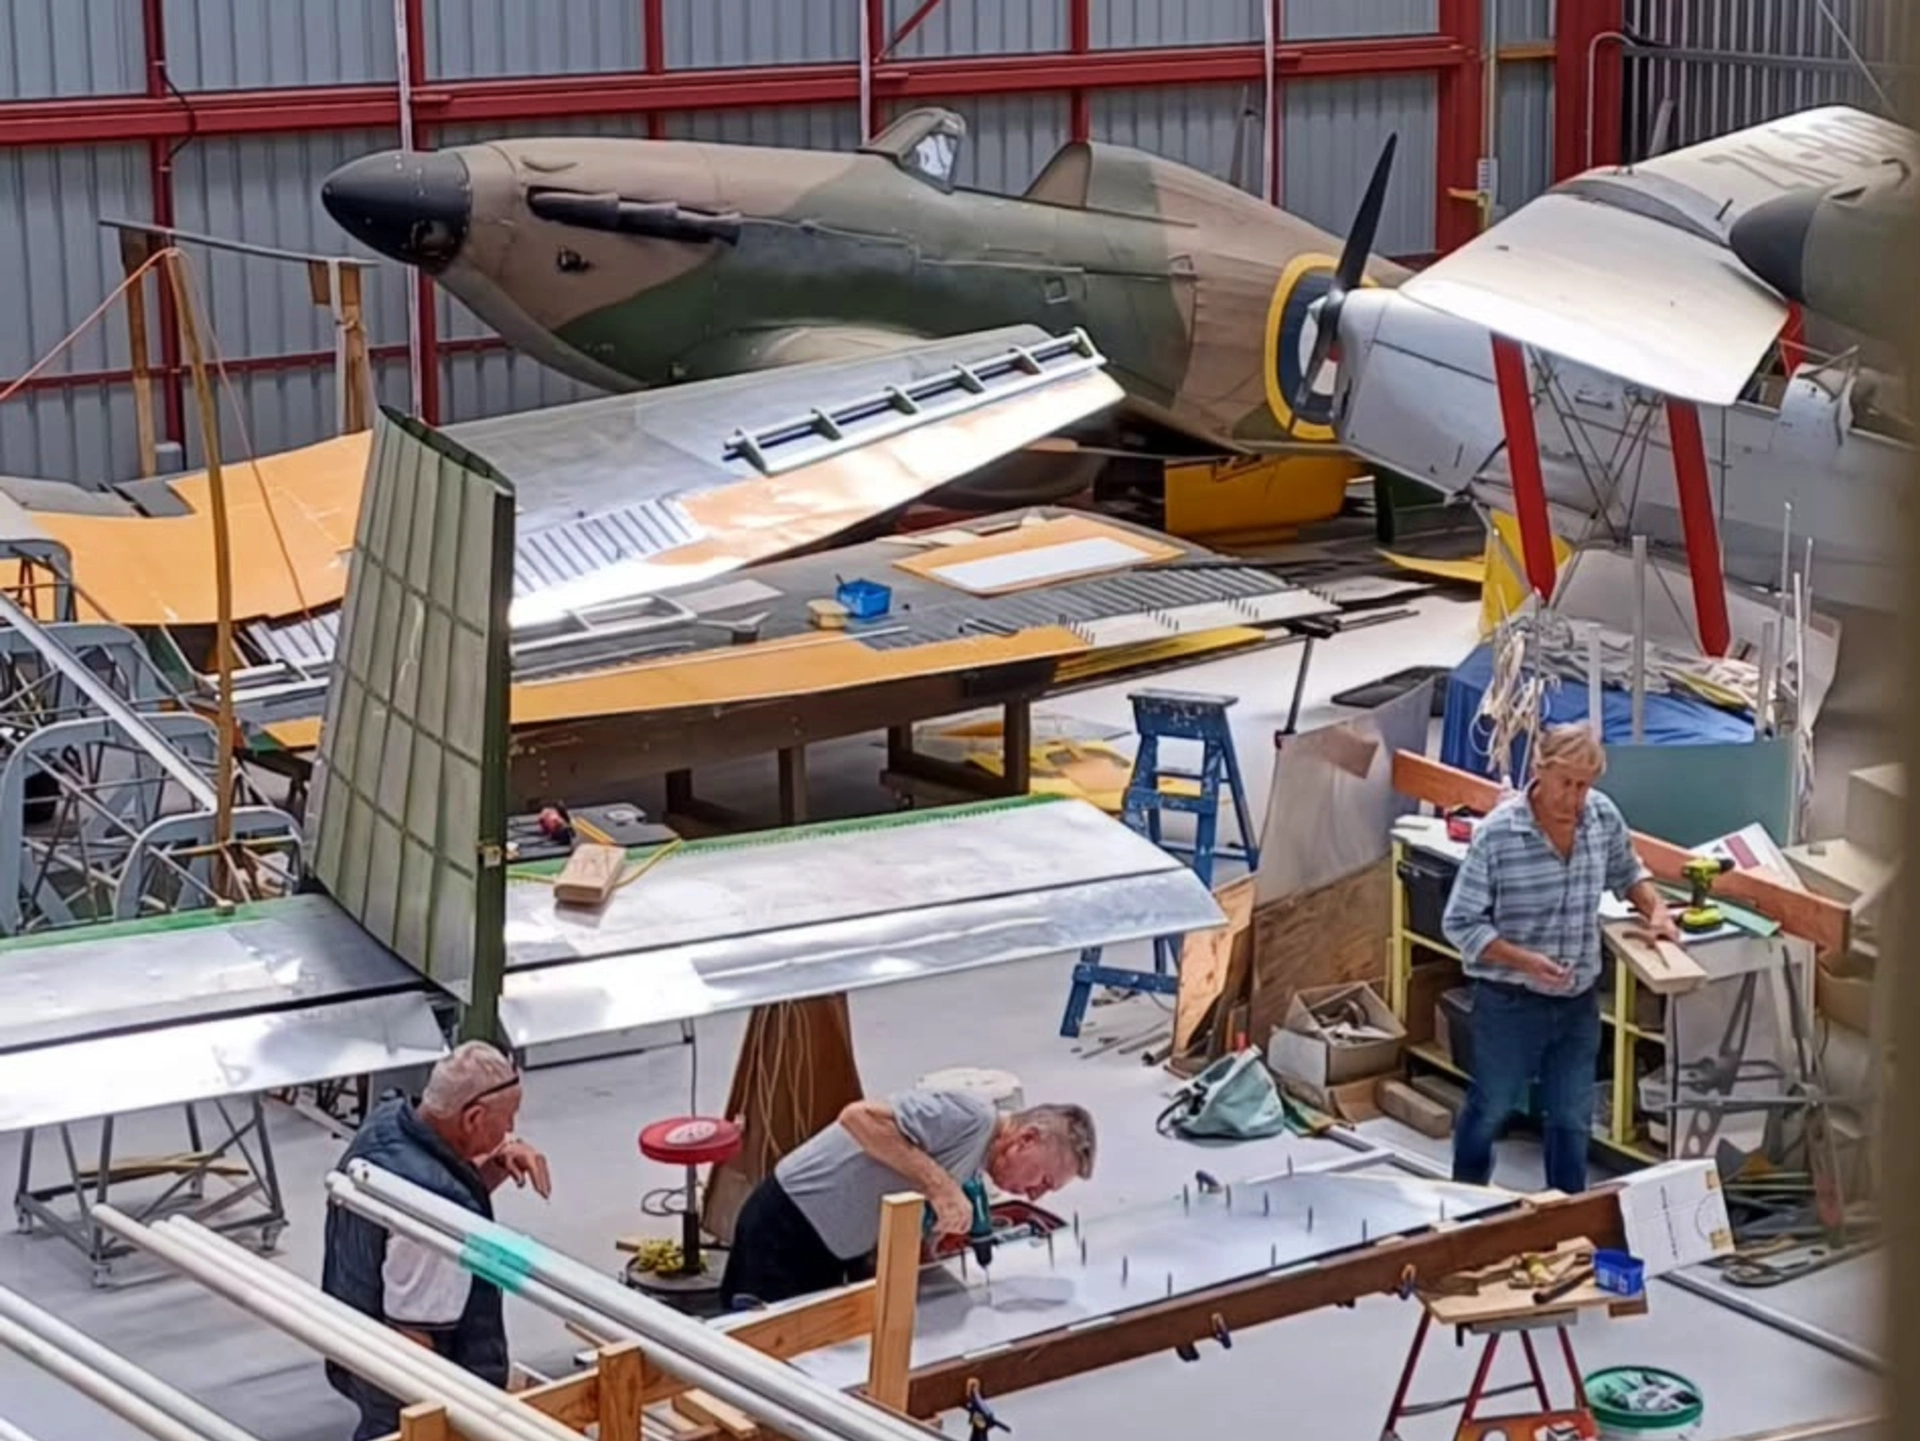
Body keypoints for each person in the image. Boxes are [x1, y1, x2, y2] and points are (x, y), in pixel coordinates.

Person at [1441, 725, 1679, 1196]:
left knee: (1571, 1117)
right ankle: (1463, 1209)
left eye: (1584, 785)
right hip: (1510, 1002)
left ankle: (1565, 1220)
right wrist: (1523, 960)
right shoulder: (1497, 836)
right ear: (1540, 770)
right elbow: (1460, 923)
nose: (1574, 798)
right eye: (1566, 783)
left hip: (1576, 1003)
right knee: (1491, 1108)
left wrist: (1656, 910)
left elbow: (1627, 871)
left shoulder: (1601, 817)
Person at [320, 1041, 553, 1441]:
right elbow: (412, 1335)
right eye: (507, 1120)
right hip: (404, 1386)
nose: (510, 1132)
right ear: (473, 1117)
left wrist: (489, 1166)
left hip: (358, 1346)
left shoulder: (387, 1123)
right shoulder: (433, 1208)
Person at [719, 1090, 1097, 1308]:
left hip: (831, 1248)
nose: (1036, 1194)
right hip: (785, 1230)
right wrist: (941, 1188)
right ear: (1025, 1139)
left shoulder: (974, 1161)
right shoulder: (970, 1116)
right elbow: (858, 1117)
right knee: (759, 1365)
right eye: (1043, 1179)